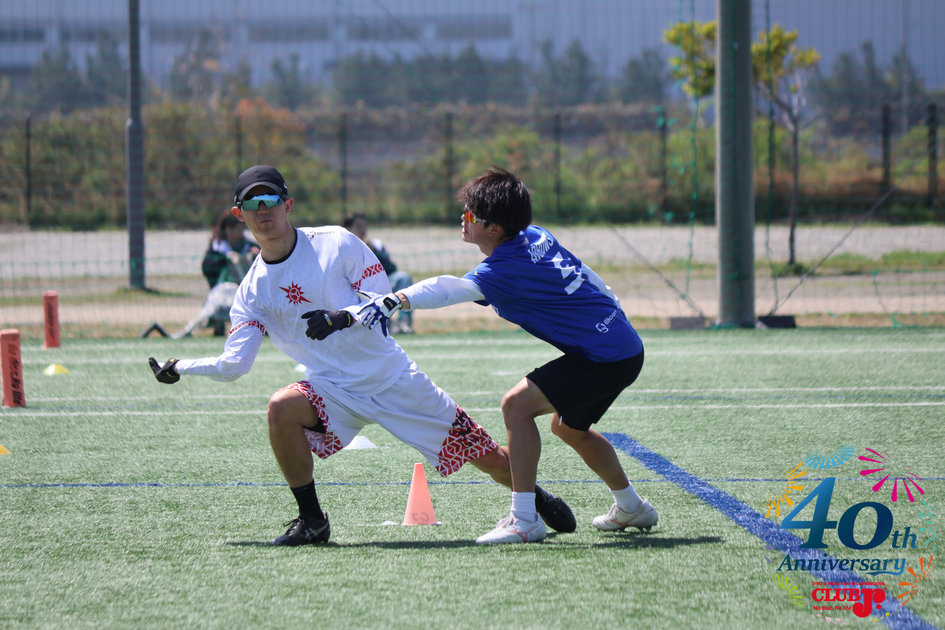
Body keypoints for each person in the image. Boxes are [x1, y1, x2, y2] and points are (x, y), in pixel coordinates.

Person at [148, 164, 574, 546]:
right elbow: (234, 364)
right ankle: (312, 521)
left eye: (271, 200)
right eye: (252, 204)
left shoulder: (336, 242)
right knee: (280, 407)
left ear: (288, 205)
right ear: (238, 214)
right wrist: (182, 366)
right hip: (332, 390)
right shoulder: (251, 293)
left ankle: (533, 497)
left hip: (393, 379)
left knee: (490, 459)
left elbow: (383, 299)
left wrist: (342, 318)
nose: (264, 211)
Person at [357, 166, 656, 545]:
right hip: (622, 346)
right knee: (567, 428)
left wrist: (396, 299)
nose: (463, 218)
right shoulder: (536, 235)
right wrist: (612, 302)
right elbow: (587, 273)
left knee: (516, 406)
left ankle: (524, 519)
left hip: (604, 356)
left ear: (495, 228)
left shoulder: (502, 270)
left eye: (471, 214)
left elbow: (449, 289)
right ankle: (631, 506)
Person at [173, 212, 261, 339]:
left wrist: (257, 255)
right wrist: (225, 260)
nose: (238, 233)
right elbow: (207, 267)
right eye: (234, 230)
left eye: (240, 229)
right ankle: (215, 326)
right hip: (221, 293)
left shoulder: (250, 246)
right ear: (227, 230)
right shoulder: (217, 248)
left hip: (247, 294)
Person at [343, 212, 414, 334]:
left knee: (403, 278)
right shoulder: (343, 248)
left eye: (364, 227)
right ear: (348, 229)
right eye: (358, 227)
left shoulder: (375, 245)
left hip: (379, 283)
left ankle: (404, 323)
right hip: (355, 289)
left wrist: (374, 252)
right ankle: (384, 325)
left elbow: (392, 268)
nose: (362, 231)